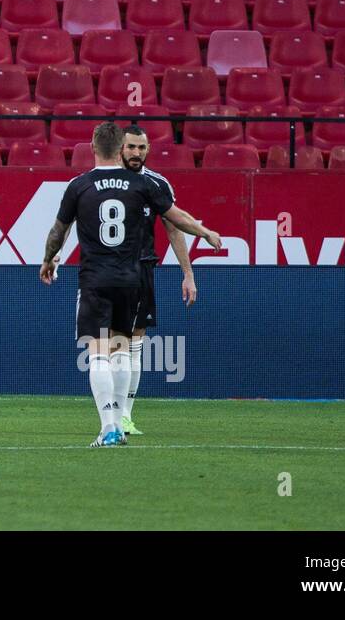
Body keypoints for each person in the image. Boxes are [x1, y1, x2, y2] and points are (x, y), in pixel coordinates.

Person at [40, 122, 221, 447]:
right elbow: (176, 217)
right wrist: (204, 232)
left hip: (95, 278)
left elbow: (58, 230)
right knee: (124, 350)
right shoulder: (142, 185)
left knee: (98, 354)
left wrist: (49, 259)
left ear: (94, 146)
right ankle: (121, 423)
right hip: (132, 279)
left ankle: (109, 425)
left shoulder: (80, 185)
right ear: (120, 147)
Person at [119, 125, 197, 436]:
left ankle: (124, 415)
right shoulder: (100, 181)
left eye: (141, 147)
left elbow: (174, 228)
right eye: (131, 147)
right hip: (105, 272)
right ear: (120, 148)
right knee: (109, 345)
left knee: (134, 342)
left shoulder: (157, 184)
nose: (136, 153)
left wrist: (188, 273)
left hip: (141, 270)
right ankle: (110, 413)